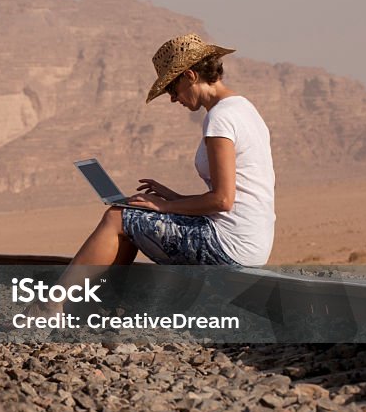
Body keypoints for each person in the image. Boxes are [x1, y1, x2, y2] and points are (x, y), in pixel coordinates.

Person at [69, 33, 276, 272]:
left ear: (190, 76)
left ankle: (51, 305)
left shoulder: (220, 118)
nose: (172, 98)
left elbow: (222, 200)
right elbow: (236, 196)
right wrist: (173, 197)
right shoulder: (243, 108)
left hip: (229, 245)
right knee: (132, 214)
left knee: (117, 217)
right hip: (250, 242)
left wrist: (164, 207)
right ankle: (100, 301)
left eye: (172, 88)